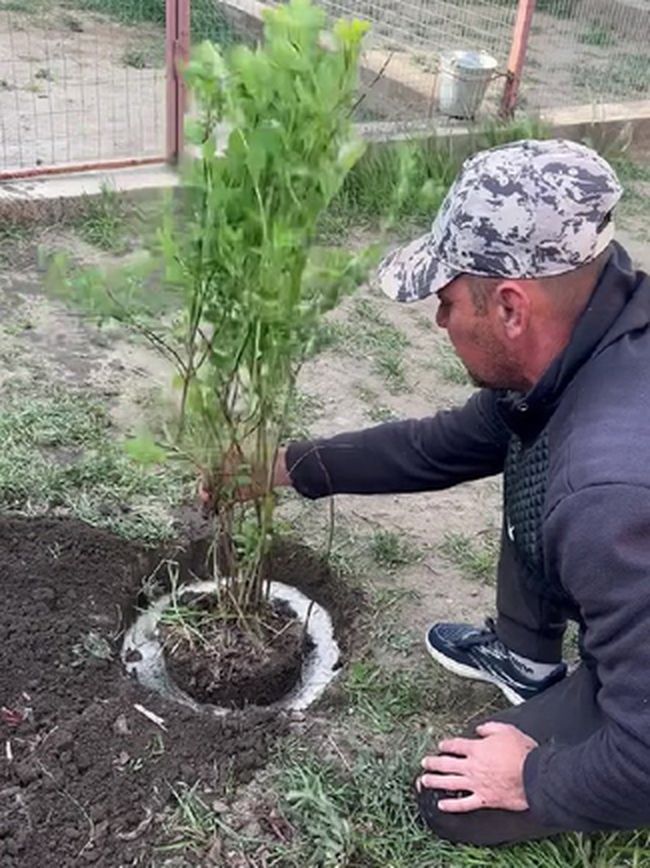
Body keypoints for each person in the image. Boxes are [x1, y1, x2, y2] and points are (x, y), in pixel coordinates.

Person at [209, 138, 650, 845]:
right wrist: (282, 466)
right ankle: (528, 660)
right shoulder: (596, 343)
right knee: (531, 449)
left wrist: (533, 779)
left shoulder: (606, 491)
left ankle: (585, 687)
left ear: (511, 308)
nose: (440, 322)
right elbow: (442, 445)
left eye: (446, 302)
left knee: (450, 797)